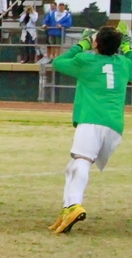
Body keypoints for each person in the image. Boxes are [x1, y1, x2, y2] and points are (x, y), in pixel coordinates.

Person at [49, 25, 132, 234]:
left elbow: (58, 63)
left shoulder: (87, 61)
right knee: (72, 167)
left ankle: (75, 205)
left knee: (81, 161)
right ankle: (67, 209)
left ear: (96, 43)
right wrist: (129, 46)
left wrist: (81, 44)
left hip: (92, 120)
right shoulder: (124, 64)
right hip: (115, 126)